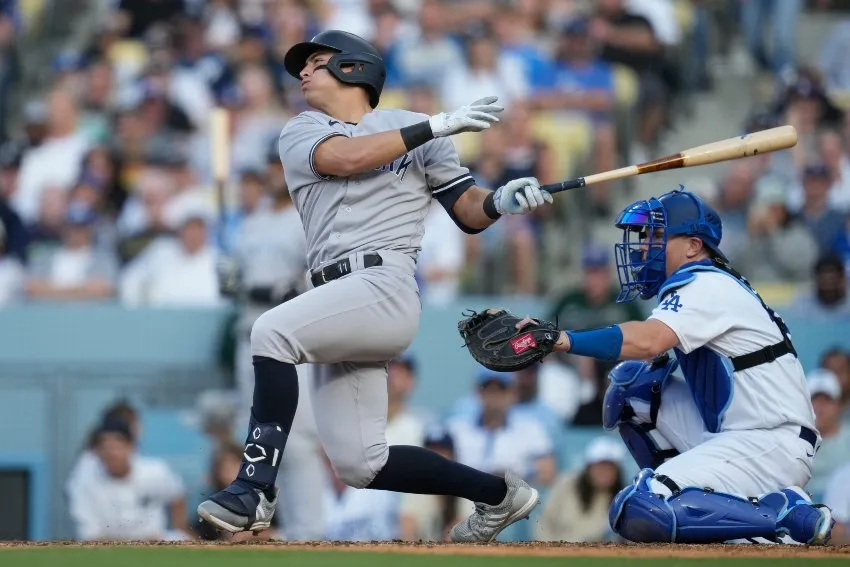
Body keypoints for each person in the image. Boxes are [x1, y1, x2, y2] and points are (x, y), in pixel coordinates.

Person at [197, 30, 550, 543]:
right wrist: (435, 125)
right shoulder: (302, 129)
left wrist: (501, 202)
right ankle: (499, 495)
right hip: (335, 298)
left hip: (384, 285)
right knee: (361, 464)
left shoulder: (416, 128)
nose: (303, 73)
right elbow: (345, 158)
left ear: (354, 68)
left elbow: (468, 211)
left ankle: (253, 488)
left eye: (316, 63)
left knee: (270, 332)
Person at [506, 186, 834, 545]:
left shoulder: (706, 284)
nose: (645, 245)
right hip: (738, 432)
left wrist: (562, 339)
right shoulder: (701, 284)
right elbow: (648, 358)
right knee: (631, 389)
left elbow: (647, 340)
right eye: (646, 236)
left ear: (693, 246)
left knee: (640, 508)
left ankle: (780, 516)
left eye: (658, 235)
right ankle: (710, 507)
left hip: (771, 443)